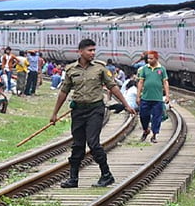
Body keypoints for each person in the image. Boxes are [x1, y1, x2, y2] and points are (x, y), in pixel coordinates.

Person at [50, 39, 136, 188]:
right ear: (80, 51)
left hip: (95, 110)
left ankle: (106, 175)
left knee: (93, 142)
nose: (93, 53)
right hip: (78, 111)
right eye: (89, 50)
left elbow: (113, 86)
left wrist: (126, 105)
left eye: (94, 50)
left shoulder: (100, 68)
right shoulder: (71, 70)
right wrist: (54, 113)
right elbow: (63, 91)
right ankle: (73, 179)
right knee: (77, 145)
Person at [137, 50, 170, 143]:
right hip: (145, 97)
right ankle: (145, 130)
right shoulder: (144, 69)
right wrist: (138, 96)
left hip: (157, 98)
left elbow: (165, 82)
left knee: (157, 117)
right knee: (143, 116)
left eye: (151, 59)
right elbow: (140, 82)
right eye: (148, 58)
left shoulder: (162, 69)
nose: (149, 60)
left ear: (156, 59)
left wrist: (167, 95)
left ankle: (154, 135)